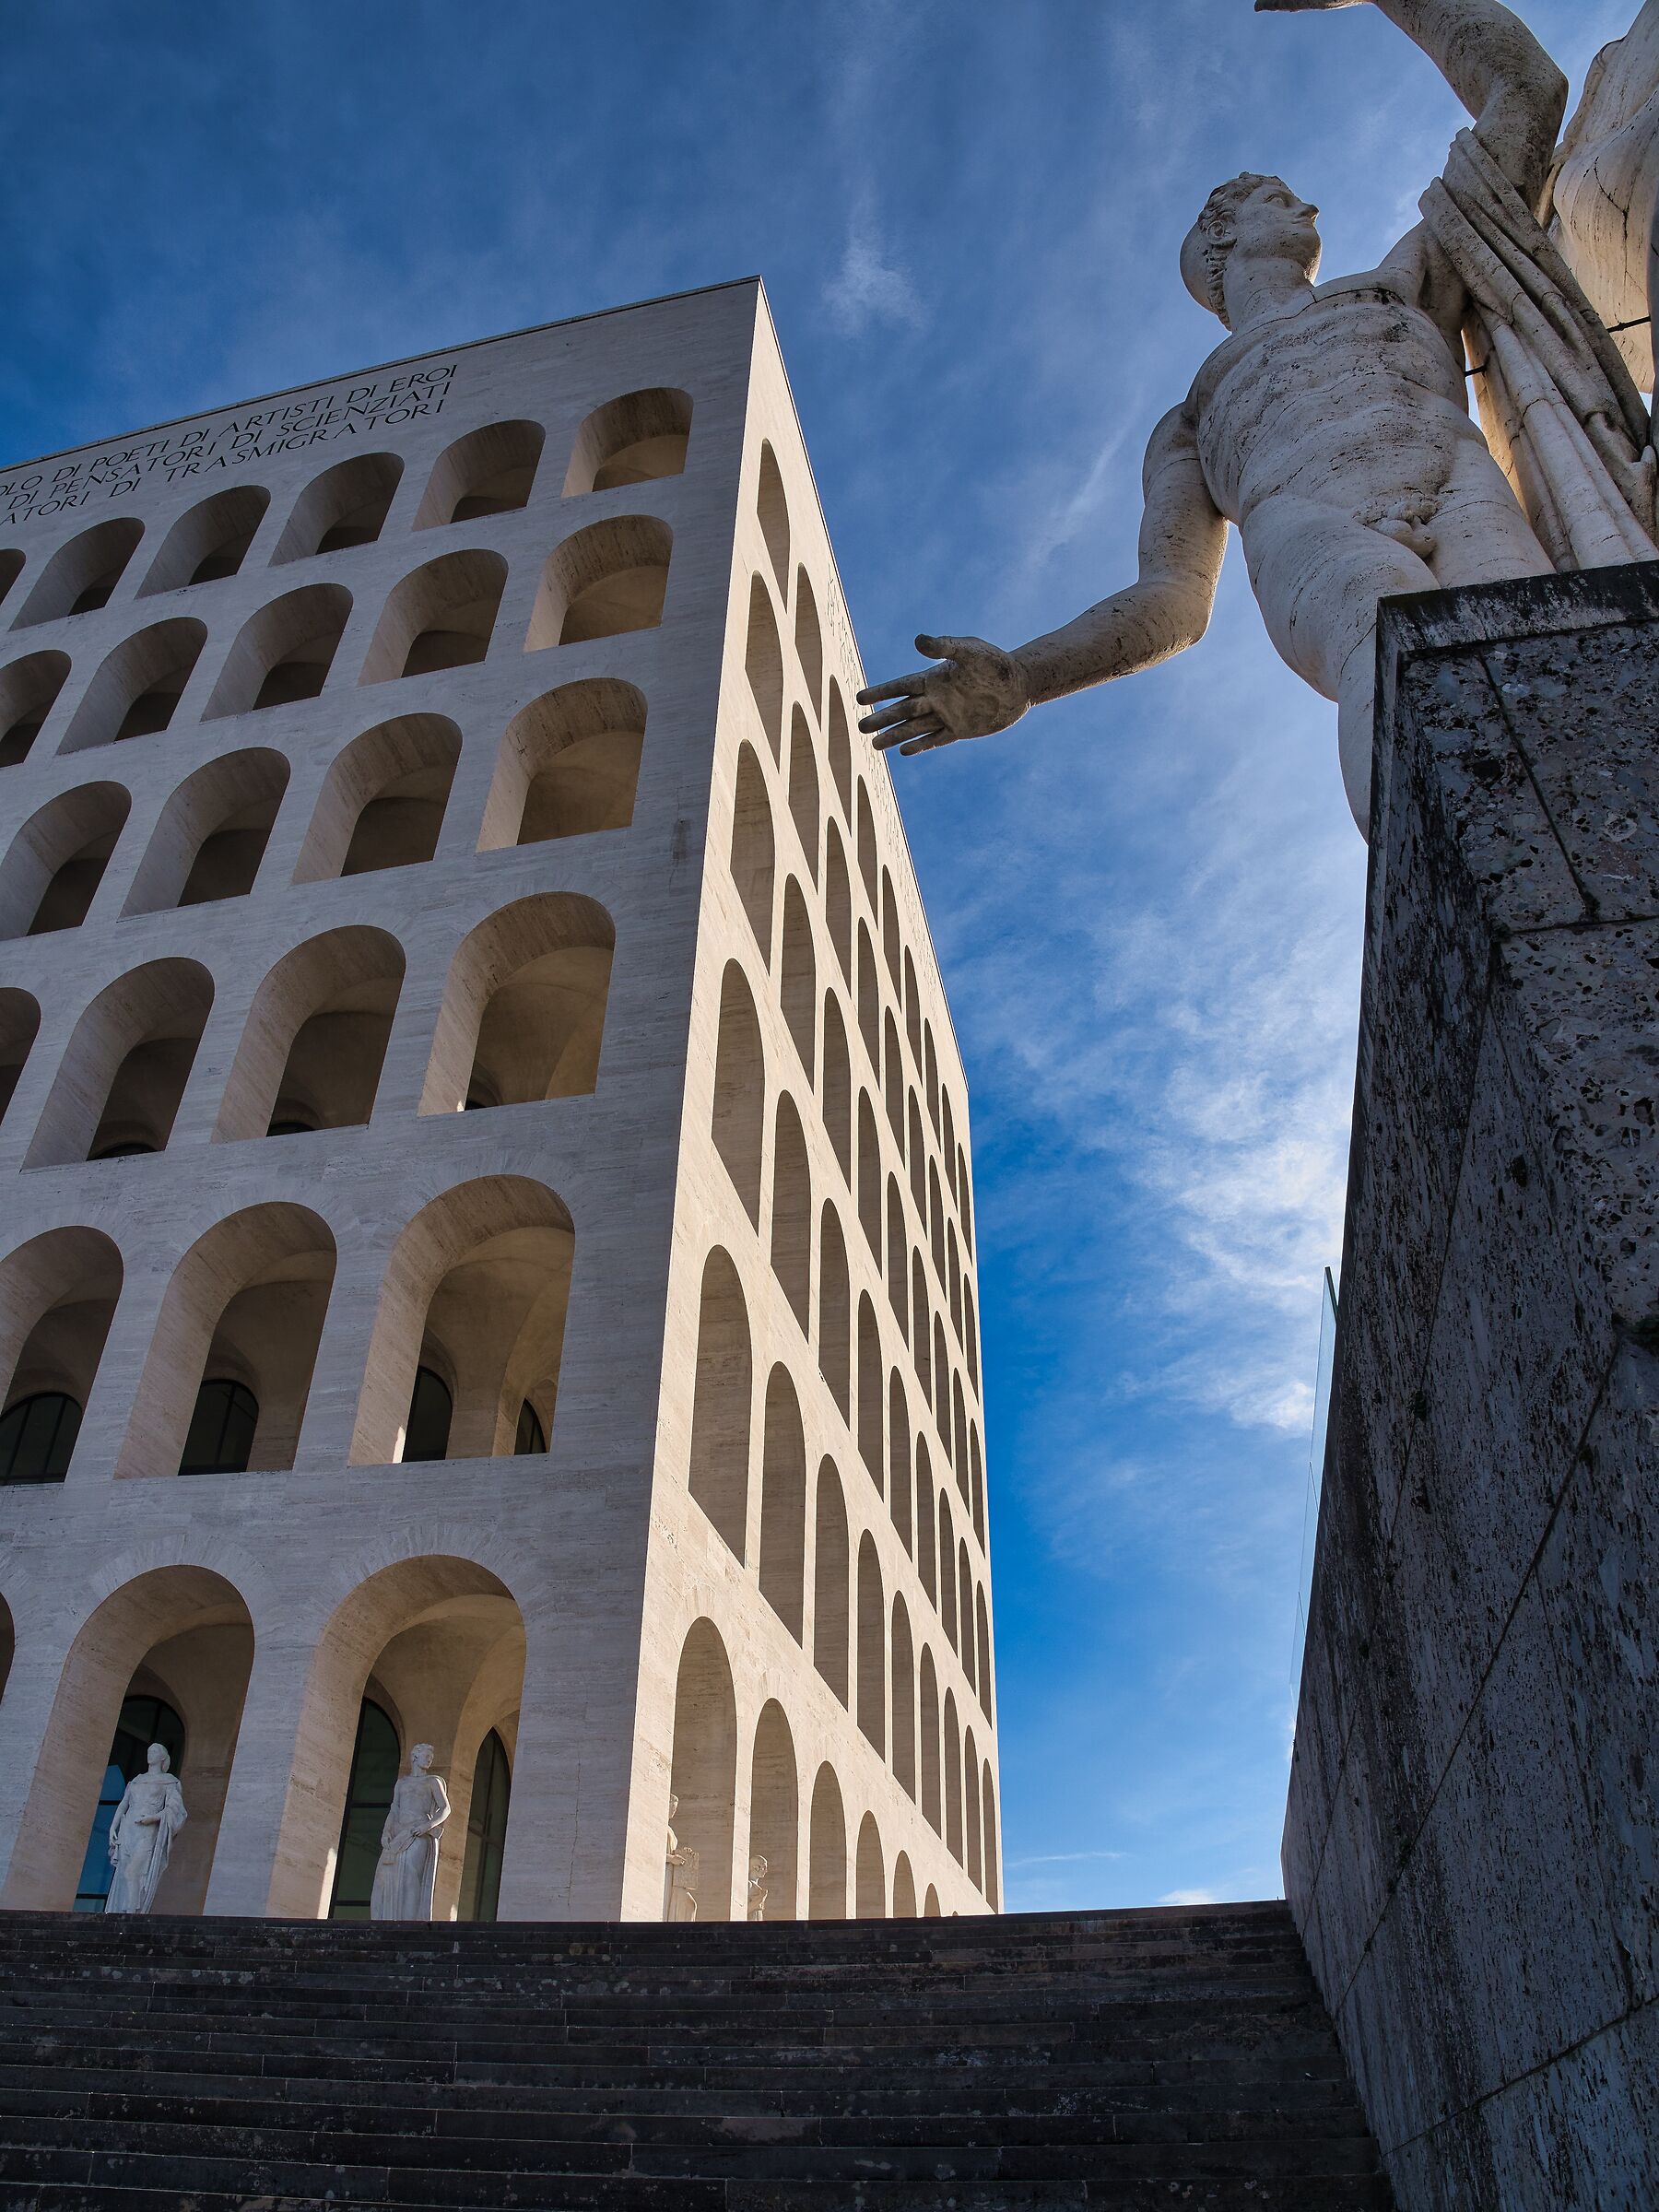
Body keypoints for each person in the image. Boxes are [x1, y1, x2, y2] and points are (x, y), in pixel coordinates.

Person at [859, 1, 1649, 835]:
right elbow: (1174, 598)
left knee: (1550, 644)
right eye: (1279, 199)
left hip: (1461, 486)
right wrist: (1027, 675)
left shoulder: (1403, 283)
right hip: (1309, 530)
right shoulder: (1193, 417)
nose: (1309, 210)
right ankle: (1454, 862)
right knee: (1381, 628)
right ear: (1222, 239)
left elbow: (1527, 91)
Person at [369, 1742, 450, 1922]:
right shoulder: (402, 1783)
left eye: (431, 1757)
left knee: (411, 1878)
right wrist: (386, 1832)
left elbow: (445, 1808)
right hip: (398, 1835)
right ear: (415, 1756)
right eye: (426, 1756)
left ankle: (409, 1921)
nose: (429, 1760)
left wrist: (427, 1826)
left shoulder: (433, 1781)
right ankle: (387, 1919)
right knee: (385, 1876)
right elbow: (394, 1810)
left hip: (418, 1834)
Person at [105, 1742, 187, 1915]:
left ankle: (132, 1914)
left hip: (148, 1831)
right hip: (128, 1829)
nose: (150, 1754)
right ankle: (122, 1912)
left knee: (133, 1872)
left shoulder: (169, 1781)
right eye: (149, 1751)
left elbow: (175, 1809)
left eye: (155, 1751)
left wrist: (153, 1818)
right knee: (124, 1872)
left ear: (163, 1757)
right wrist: (113, 1827)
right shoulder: (137, 1780)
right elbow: (123, 1805)